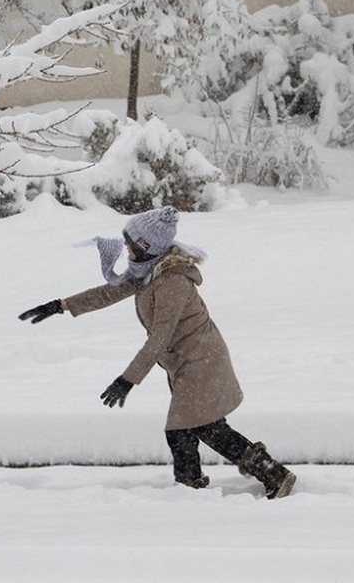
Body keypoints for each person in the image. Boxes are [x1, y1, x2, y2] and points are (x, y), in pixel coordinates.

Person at [17, 206, 296, 499]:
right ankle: (235, 480)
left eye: (131, 242)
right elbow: (108, 292)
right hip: (189, 362)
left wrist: (127, 380)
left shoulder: (171, 281)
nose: (125, 246)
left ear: (147, 247)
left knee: (186, 429)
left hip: (201, 362)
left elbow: (159, 338)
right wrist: (60, 305)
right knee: (202, 427)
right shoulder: (148, 271)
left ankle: (222, 484)